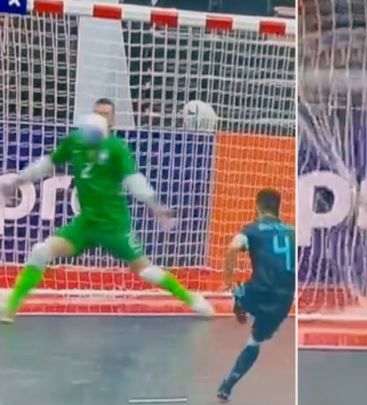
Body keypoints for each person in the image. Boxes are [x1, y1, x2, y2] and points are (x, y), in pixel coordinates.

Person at [0, 98, 214, 322]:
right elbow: (47, 164)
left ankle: (192, 299)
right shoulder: (75, 141)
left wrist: (157, 207)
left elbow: (134, 181)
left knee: (145, 271)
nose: (99, 118)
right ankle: (10, 307)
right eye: (97, 113)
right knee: (41, 251)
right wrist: (17, 181)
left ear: (111, 121)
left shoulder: (116, 148)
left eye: (105, 114)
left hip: (114, 225)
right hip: (86, 223)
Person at [217, 189, 295, 402]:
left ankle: (240, 304)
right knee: (254, 341)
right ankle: (227, 386)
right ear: (278, 208)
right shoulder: (292, 231)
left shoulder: (252, 230)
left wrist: (228, 280)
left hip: (259, 291)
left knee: (238, 290)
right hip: (284, 298)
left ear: (258, 207)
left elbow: (233, 248)